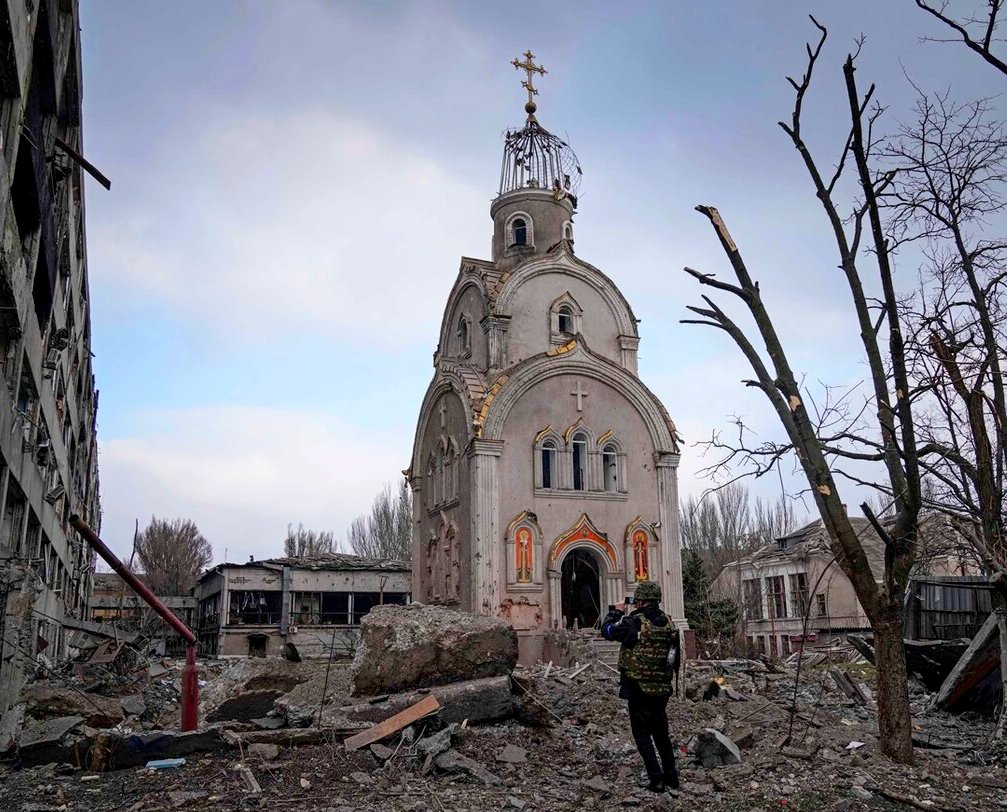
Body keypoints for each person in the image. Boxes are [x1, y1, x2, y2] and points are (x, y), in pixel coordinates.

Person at [601, 580, 680, 793]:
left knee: (642, 733)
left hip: (638, 686)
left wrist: (616, 613)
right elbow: (675, 658)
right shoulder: (668, 622)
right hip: (662, 687)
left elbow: (607, 631)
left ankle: (656, 779)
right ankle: (672, 777)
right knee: (661, 732)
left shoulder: (634, 622)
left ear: (640, 601)